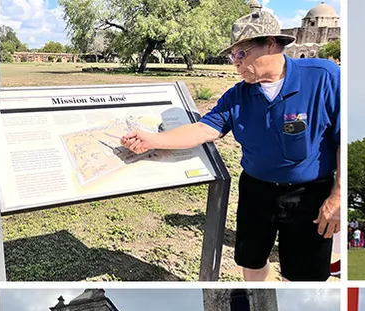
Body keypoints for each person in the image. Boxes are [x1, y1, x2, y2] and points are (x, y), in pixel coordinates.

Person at [118, 5, 339, 281]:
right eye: (233, 55)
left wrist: (338, 196)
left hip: (310, 194)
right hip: (257, 191)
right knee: (252, 259)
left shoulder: (322, 77)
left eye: (241, 53)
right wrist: (151, 139)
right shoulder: (238, 95)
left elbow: (346, 139)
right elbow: (203, 129)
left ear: (271, 44)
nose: (235, 62)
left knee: (304, 274)